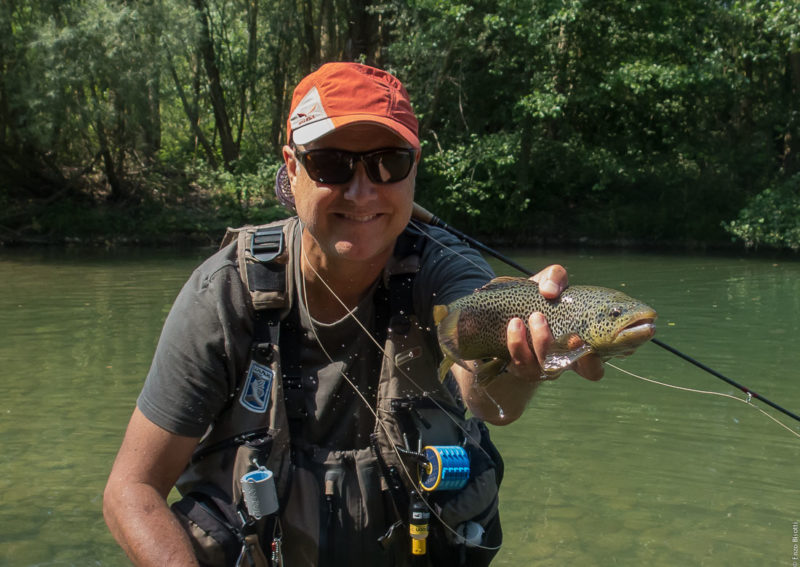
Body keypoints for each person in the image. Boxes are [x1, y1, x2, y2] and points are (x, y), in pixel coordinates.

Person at [103, 62, 603, 567]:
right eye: (331, 163)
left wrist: (522, 359)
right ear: (292, 168)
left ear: (415, 166)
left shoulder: (447, 271)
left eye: (388, 162)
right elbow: (131, 489)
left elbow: (491, 403)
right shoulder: (224, 293)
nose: (362, 191)